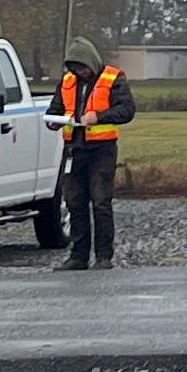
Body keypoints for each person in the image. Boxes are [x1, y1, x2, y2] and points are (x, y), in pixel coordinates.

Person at [50, 35, 136, 269]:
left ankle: (104, 256)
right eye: (74, 68)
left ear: (91, 61)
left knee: (100, 202)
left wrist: (98, 117)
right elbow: (55, 108)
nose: (79, 72)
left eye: (82, 67)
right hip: (73, 149)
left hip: (102, 150)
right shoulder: (67, 82)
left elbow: (127, 110)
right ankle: (78, 256)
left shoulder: (113, 78)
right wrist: (55, 120)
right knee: (75, 202)